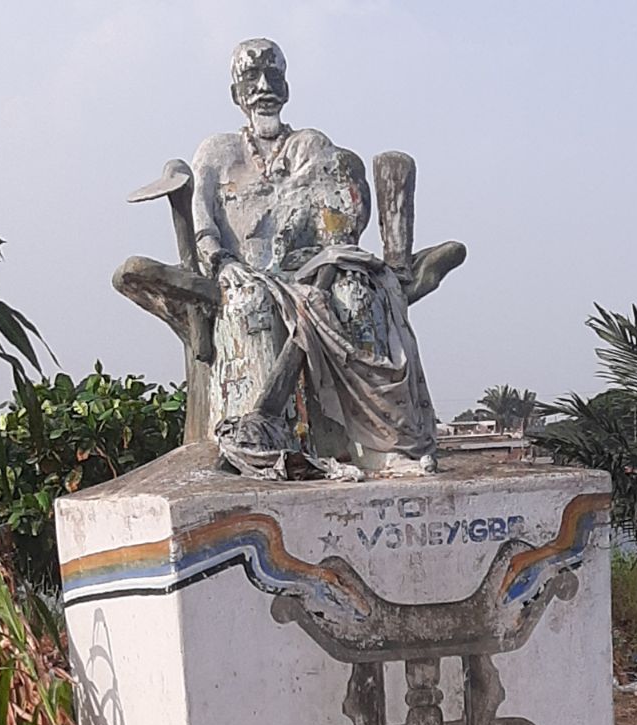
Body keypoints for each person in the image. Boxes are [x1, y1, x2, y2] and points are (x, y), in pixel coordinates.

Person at [118, 39, 462, 479]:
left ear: (286, 86)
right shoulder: (217, 152)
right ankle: (264, 444)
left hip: (314, 266)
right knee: (250, 306)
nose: (263, 87)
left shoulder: (310, 144)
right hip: (243, 273)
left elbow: (334, 210)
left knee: (359, 296)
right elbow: (205, 224)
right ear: (235, 93)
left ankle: (380, 443)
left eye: (273, 77)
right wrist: (222, 263)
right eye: (251, 79)